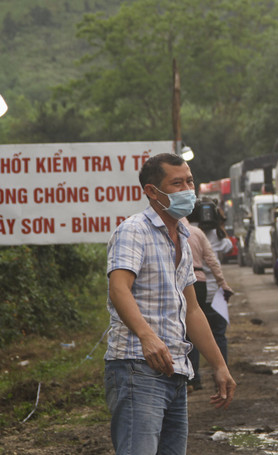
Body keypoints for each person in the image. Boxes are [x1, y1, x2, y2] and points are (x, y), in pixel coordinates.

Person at [104, 153, 236, 455]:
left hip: (176, 370)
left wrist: (219, 365)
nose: (188, 189)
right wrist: (147, 336)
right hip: (137, 367)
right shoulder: (134, 230)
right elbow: (119, 289)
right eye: (176, 184)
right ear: (152, 192)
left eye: (189, 181)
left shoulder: (183, 237)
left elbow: (192, 310)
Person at [184, 203, 234, 391]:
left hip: (194, 289)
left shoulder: (187, 232)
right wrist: (220, 225)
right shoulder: (216, 236)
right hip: (215, 293)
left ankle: (194, 378)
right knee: (219, 334)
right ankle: (221, 374)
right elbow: (227, 247)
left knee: (192, 335)